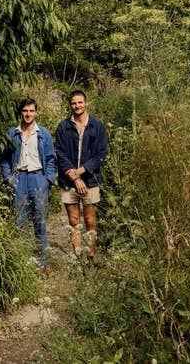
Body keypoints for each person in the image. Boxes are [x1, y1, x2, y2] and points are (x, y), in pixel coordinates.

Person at [0, 98, 57, 269]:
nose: (28, 114)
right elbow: (3, 158)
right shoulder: (12, 133)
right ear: (21, 112)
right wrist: (8, 177)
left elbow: (50, 159)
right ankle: (23, 262)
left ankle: (42, 262)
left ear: (36, 112)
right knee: (20, 221)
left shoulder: (43, 134)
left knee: (40, 220)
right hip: (19, 178)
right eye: (25, 111)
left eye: (31, 111)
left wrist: (48, 180)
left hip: (38, 178)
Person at [54, 89, 108, 261]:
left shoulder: (97, 126)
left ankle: (91, 256)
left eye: (80, 102)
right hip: (68, 181)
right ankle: (78, 258)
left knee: (90, 220)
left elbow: (101, 153)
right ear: (70, 105)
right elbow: (60, 154)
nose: (77, 106)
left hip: (90, 181)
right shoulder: (63, 127)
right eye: (73, 103)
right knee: (74, 220)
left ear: (86, 103)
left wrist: (82, 171)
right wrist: (75, 177)